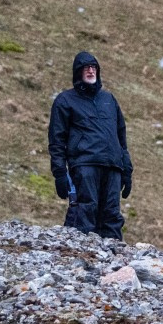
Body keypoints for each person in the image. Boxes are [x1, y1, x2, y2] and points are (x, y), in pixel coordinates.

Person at [48, 52, 133, 240]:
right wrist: (60, 173)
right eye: (86, 68)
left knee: (112, 215)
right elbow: (57, 140)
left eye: (93, 67)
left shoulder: (109, 100)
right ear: (77, 72)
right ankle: (80, 260)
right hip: (84, 165)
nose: (90, 70)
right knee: (85, 210)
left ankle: (112, 260)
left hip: (112, 166)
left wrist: (126, 169)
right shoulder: (65, 100)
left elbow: (121, 137)